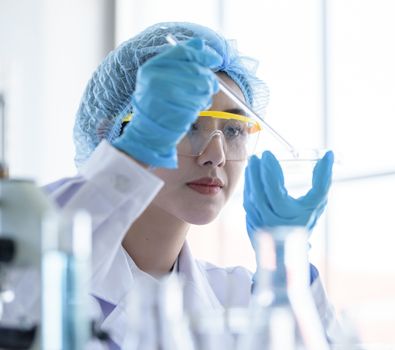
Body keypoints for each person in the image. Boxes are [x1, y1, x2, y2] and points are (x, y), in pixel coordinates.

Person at [45, 22, 337, 348]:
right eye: (188, 124)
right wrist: (130, 155)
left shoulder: (240, 298)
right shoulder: (48, 284)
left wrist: (288, 269)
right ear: (108, 138)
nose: (215, 155)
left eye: (233, 130)